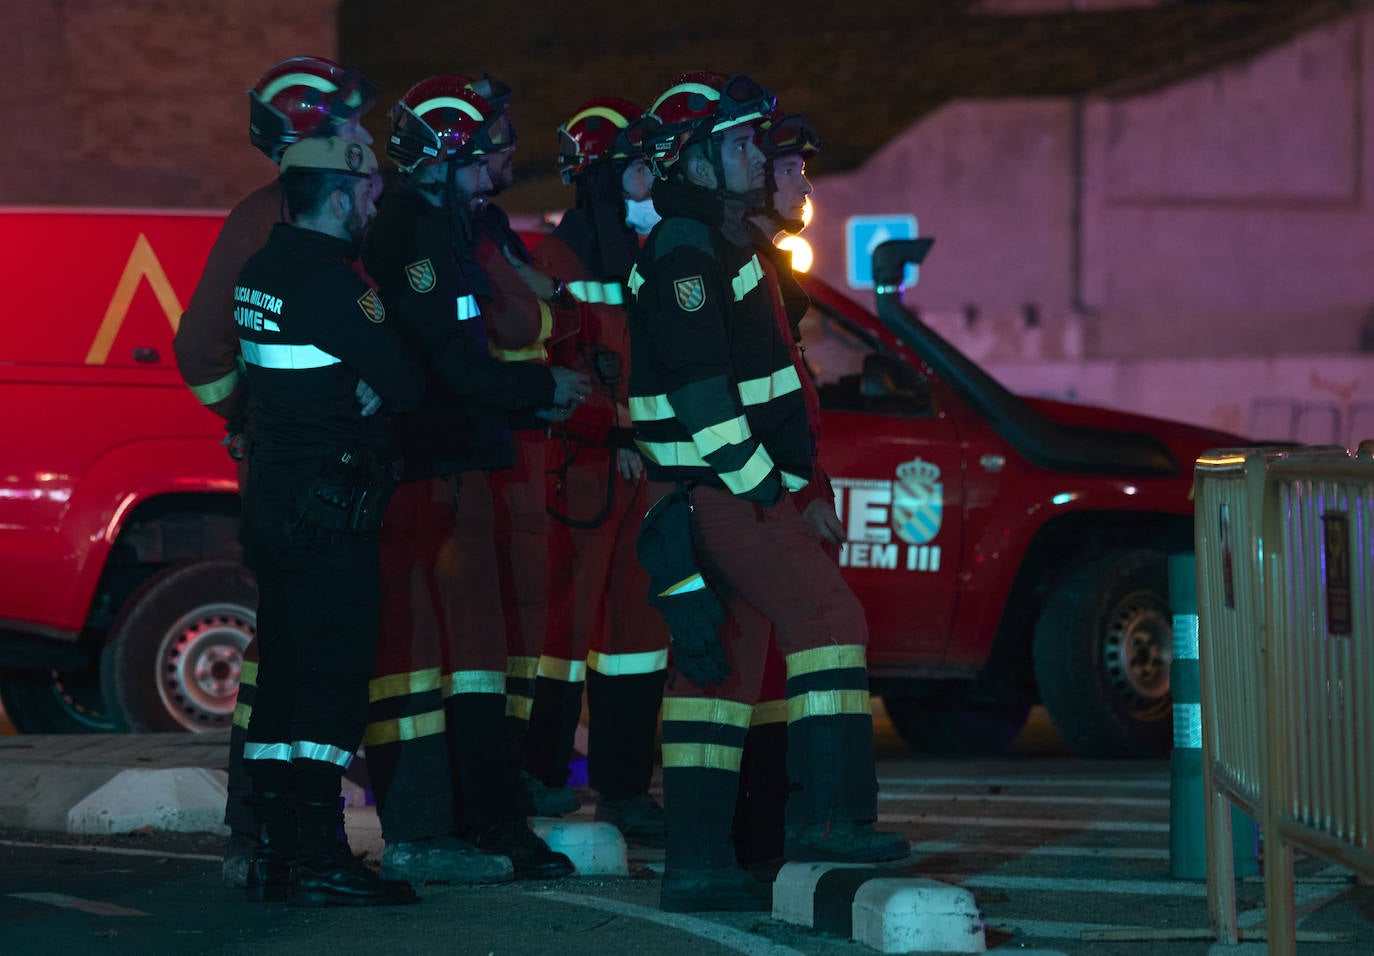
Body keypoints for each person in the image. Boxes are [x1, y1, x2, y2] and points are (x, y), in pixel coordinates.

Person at [626, 71, 909, 913]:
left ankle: (701, 865)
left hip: (713, 490)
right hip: (722, 489)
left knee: (722, 676)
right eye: (744, 143)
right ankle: (832, 818)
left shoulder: (712, 245)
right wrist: (766, 487)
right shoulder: (685, 251)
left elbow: (757, 381)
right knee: (829, 621)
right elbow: (703, 393)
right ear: (701, 161)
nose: (760, 155)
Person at [362, 76, 585, 880]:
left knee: (473, 658)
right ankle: (441, 826)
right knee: (428, 660)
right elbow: (447, 361)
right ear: (446, 157)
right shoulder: (416, 234)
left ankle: (483, 816)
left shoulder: (447, 226)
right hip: (430, 470)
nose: (505, 153)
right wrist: (537, 390)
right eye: (487, 142)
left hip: (458, 464)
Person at [170, 55, 379, 888]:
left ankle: (279, 834)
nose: (366, 136)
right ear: (312, 141)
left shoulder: (323, 213)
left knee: (298, 654)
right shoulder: (267, 221)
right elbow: (199, 349)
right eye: (350, 124)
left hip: (316, 473)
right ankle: (275, 830)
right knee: (298, 660)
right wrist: (249, 415)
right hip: (312, 482)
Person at [235, 135, 421, 907]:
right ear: (339, 197)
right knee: (334, 683)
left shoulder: (261, 271)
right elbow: (406, 385)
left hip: (273, 504)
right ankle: (319, 850)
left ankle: (277, 849)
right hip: (330, 511)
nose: (375, 203)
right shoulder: (337, 286)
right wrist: (373, 387)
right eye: (369, 190)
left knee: (279, 679)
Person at [525, 97, 670, 845]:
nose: (652, 177)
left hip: (643, 472)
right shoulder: (557, 264)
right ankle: (542, 775)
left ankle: (623, 788)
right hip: (580, 473)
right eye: (640, 166)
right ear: (606, 176)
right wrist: (603, 430)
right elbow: (556, 367)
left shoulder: (651, 254)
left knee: (637, 634)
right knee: (560, 630)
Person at [458, 73, 585, 817]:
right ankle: (486, 788)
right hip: (491, 443)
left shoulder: (490, 229)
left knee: (518, 625)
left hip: (519, 445)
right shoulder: (457, 236)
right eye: (499, 135)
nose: (511, 148)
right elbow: (515, 324)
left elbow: (542, 305)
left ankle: (506, 777)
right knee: (489, 627)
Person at [733, 109, 840, 869]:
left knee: (777, 668)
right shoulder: (736, 261)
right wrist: (783, 493)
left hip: (774, 492)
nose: (805, 184)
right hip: (752, 499)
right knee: (790, 651)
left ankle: (776, 827)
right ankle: (763, 834)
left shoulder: (767, 260)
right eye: (792, 168)